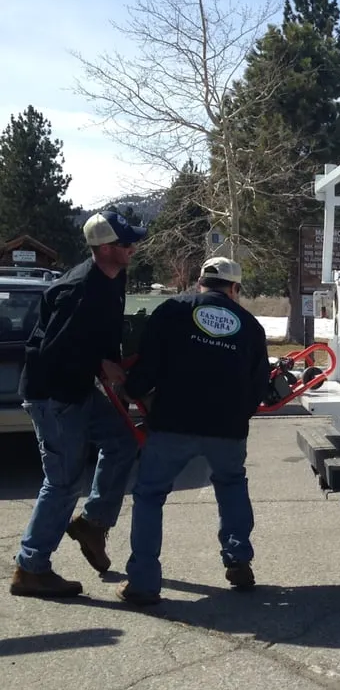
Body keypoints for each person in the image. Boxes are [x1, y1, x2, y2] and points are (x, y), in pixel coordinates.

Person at [117, 256, 270, 606]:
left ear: (200, 281)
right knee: (231, 485)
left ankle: (143, 581)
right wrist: (238, 415)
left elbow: (148, 365)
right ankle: (238, 560)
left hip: (173, 421)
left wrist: (133, 390)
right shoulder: (249, 325)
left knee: (150, 495)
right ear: (235, 288)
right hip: (227, 428)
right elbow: (258, 384)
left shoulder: (171, 310)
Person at [10, 210, 146, 599]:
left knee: (122, 441)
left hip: (78, 389)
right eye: (126, 243)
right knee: (63, 482)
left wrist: (113, 366)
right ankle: (31, 567)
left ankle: (92, 523)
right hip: (52, 395)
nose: (133, 248)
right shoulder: (77, 290)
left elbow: (102, 336)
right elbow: (50, 351)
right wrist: (98, 363)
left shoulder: (115, 276)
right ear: (104, 248)